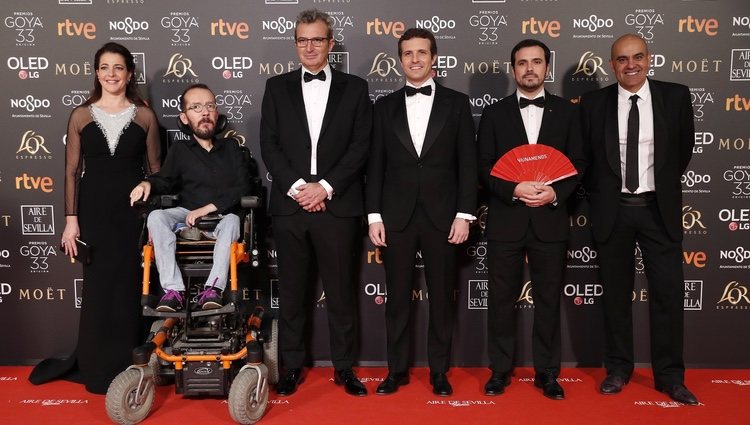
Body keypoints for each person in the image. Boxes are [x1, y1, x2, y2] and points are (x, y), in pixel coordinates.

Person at [29, 42, 161, 395]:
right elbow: (71, 171)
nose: (112, 74)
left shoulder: (145, 117)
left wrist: (149, 187)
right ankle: (96, 364)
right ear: (96, 73)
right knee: (99, 288)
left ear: (130, 73)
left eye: (119, 67)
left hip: (132, 214)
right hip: (93, 212)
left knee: (130, 286)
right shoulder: (80, 115)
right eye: (105, 67)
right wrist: (71, 220)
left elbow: (157, 170)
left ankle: (127, 365)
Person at [580, 34, 698, 405]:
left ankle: (670, 376)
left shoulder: (675, 97)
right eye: (621, 59)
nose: (630, 65)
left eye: (637, 57)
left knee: (668, 295)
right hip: (612, 212)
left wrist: (655, 188)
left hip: (657, 210)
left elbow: (682, 151)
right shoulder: (593, 103)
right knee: (615, 296)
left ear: (649, 58)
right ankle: (618, 369)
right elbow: (587, 159)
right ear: (611, 64)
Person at [259, 9, 371, 397]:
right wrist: (298, 188)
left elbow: (360, 147)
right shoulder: (276, 87)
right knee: (292, 293)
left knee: (341, 292)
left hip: (338, 207)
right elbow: (269, 145)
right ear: (295, 44)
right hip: (290, 208)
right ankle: (291, 367)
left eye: (317, 39)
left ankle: (343, 368)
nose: (310, 46)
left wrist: (324, 187)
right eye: (303, 40)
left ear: (330, 43)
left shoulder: (356, 88)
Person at [366, 28, 477, 397]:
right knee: (396, 299)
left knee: (442, 299)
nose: (415, 59)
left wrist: (465, 214)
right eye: (408, 53)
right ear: (400, 60)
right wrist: (374, 216)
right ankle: (395, 371)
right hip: (396, 217)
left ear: (434, 58)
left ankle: (439, 373)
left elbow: (468, 164)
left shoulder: (458, 103)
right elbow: (375, 166)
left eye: (422, 53)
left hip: (444, 216)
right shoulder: (383, 107)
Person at [477, 39, 583, 400]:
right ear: (513, 69)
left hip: (551, 221)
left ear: (547, 68)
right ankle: (500, 371)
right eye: (522, 63)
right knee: (501, 301)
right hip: (507, 220)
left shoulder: (568, 113)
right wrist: (514, 189)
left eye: (537, 62)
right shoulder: (494, 114)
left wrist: (556, 194)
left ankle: (547, 373)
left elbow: (578, 165)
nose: (529, 69)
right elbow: (484, 168)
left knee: (549, 302)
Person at [129, 84, 249, 312]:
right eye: (196, 107)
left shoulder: (232, 148)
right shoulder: (180, 150)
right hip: (187, 215)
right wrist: (147, 183)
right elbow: (165, 180)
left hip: (223, 216)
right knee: (156, 216)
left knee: (233, 220)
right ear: (184, 118)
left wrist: (207, 209)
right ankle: (173, 291)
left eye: (209, 106)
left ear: (216, 113)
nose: (205, 112)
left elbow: (243, 188)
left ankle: (213, 289)